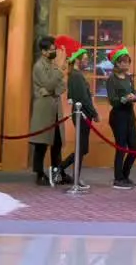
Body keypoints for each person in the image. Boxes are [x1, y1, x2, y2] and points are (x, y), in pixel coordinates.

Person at [57, 37, 97, 189]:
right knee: (81, 148)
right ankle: (66, 172)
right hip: (82, 114)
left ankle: (63, 169)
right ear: (78, 60)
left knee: (82, 148)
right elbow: (83, 99)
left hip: (82, 114)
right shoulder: (77, 76)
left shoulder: (75, 75)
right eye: (85, 59)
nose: (87, 61)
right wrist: (94, 113)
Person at [29, 35, 67, 186]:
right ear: (44, 51)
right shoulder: (39, 66)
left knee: (57, 142)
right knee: (41, 143)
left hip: (55, 108)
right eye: (52, 49)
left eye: (55, 49)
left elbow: (60, 87)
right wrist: (58, 72)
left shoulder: (51, 65)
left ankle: (56, 172)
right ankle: (39, 174)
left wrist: (52, 86)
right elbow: (48, 83)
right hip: (43, 109)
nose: (55, 52)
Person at [105, 46, 136, 190]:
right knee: (121, 148)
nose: (126, 64)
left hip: (130, 116)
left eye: (128, 61)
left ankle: (125, 175)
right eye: (123, 62)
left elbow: (134, 92)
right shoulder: (111, 80)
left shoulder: (128, 78)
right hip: (118, 116)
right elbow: (113, 100)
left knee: (135, 148)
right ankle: (118, 178)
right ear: (117, 63)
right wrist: (125, 99)